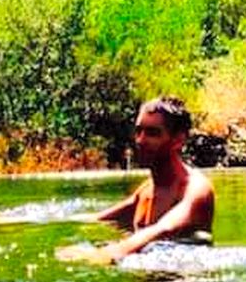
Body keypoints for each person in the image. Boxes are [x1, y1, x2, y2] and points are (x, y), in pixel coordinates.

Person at [54, 97, 214, 265]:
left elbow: (164, 229)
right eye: (138, 131)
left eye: (152, 133)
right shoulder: (146, 190)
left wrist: (109, 253)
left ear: (178, 140)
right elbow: (100, 219)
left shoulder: (195, 189)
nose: (140, 140)